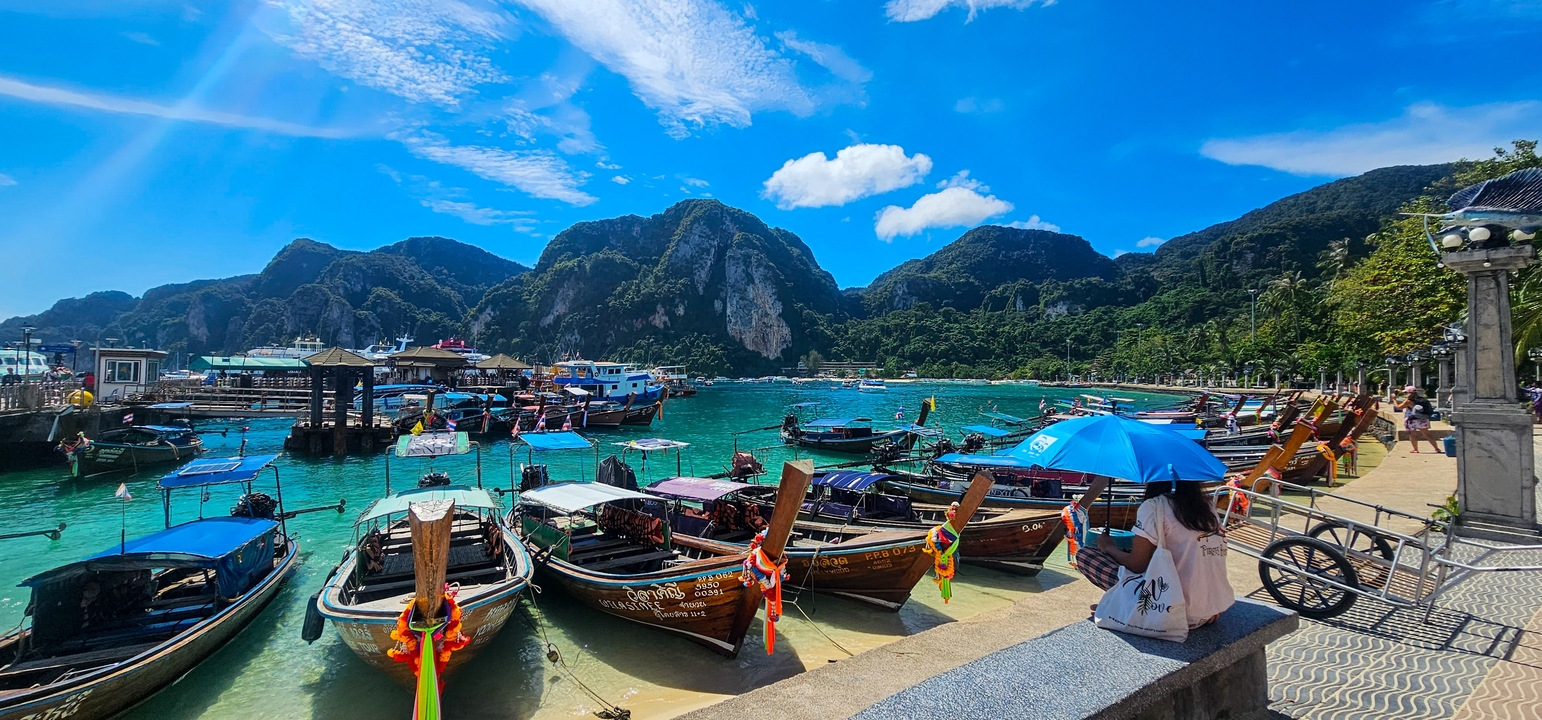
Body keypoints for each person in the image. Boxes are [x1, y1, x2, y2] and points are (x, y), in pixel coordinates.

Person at [1073, 476, 1235, 629]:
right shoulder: (1208, 507)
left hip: (1172, 609)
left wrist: (1108, 547)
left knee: (1085, 556)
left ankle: (1129, 607)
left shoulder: (1155, 506)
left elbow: (1137, 565)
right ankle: (1122, 603)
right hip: (1209, 610)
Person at [1394, 385, 1438, 453]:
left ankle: (1415, 449)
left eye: (1405, 393)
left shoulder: (1408, 401)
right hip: (1423, 418)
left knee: (1412, 434)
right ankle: (1436, 448)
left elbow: (1398, 407)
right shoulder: (1422, 399)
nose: (1404, 394)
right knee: (1427, 434)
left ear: (1408, 393)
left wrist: (1394, 399)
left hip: (1413, 419)